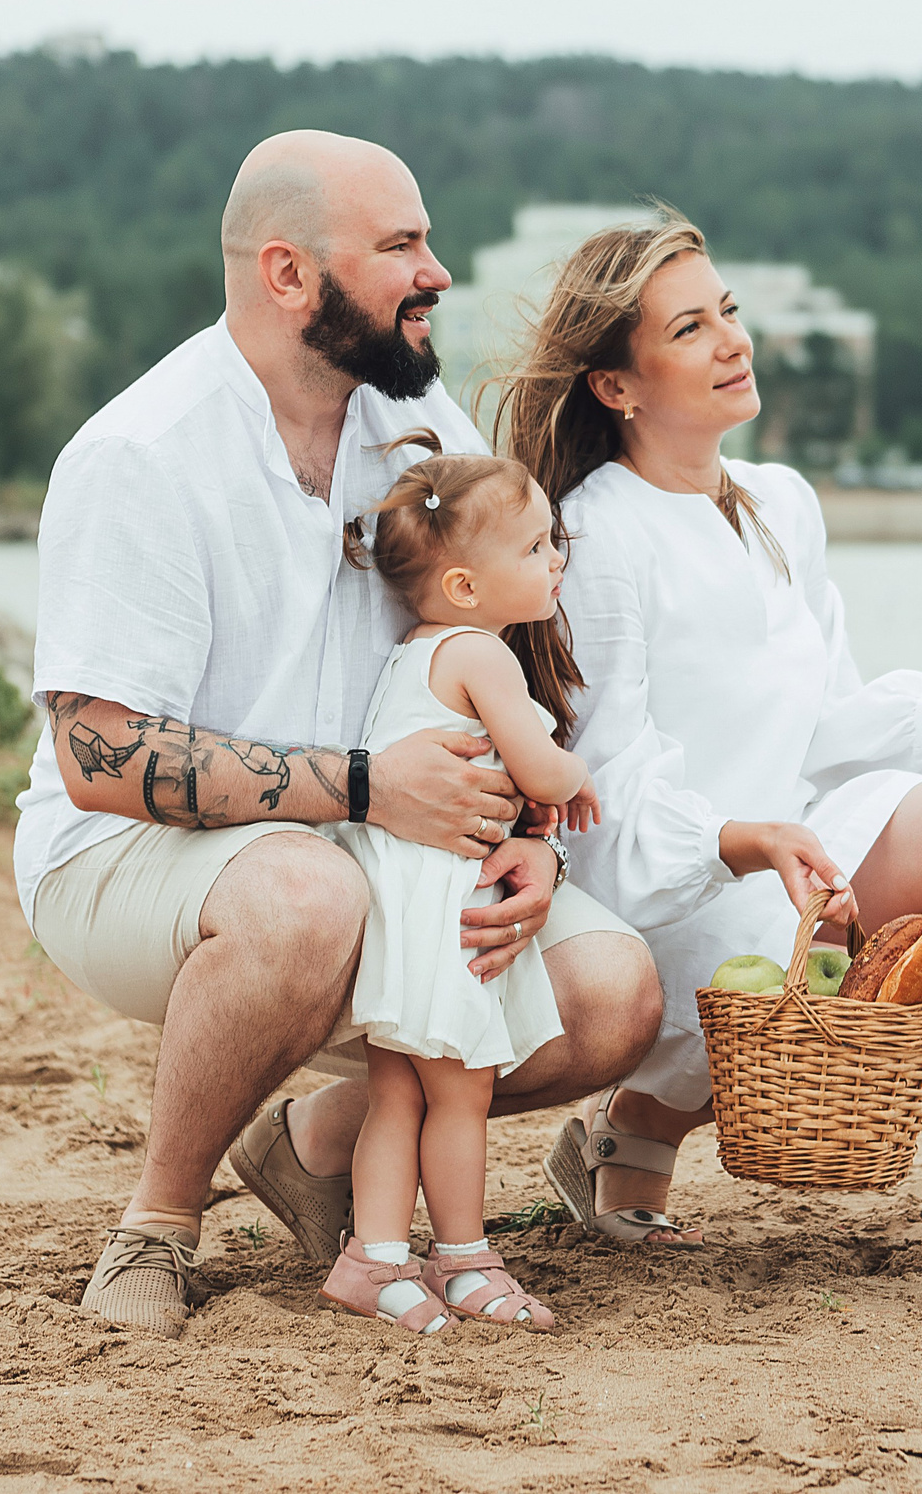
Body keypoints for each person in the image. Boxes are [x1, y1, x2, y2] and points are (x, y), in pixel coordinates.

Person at [13, 130, 658, 1339]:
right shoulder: (140, 454)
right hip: (132, 860)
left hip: (385, 840)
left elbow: (500, 649)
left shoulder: (419, 433)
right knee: (309, 898)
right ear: (288, 272)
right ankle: (157, 1222)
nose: (436, 272)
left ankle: (311, 1150)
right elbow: (98, 759)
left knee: (611, 995)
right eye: (401, 245)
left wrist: (531, 836)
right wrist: (367, 787)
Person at [493, 212, 922, 1279]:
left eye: (729, 312)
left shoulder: (781, 503)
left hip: (796, 846)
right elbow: (605, 788)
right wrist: (746, 840)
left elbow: (817, 720)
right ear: (616, 385)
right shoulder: (595, 533)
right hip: (678, 884)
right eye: (690, 328)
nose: (733, 340)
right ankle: (643, 1119)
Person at [321, 435, 597, 1334]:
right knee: (461, 1091)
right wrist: (575, 774)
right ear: (467, 588)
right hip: (446, 904)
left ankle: (373, 1258)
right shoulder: (483, 654)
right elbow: (542, 768)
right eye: (535, 546)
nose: (555, 559)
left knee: (399, 1090)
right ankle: (465, 1257)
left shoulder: (416, 650)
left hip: (399, 899)